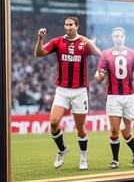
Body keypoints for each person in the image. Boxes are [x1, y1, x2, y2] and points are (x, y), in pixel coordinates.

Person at [35, 15, 99, 170]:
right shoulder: (58, 41)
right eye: (66, 25)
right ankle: (62, 149)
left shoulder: (84, 43)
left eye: (71, 25)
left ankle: (83, 158)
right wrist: (40, 39)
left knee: (80, 127)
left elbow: (99, 53)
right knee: (54, 123)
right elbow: (39, 54)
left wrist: (87, 40)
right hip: (62, 90)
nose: (68, 27)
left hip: (80, 91)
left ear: (77, 26)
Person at [94, 27, 134, 170]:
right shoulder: (106, 54)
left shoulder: (132, 53)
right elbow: (98, 77)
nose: (117, 38)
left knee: (126, 132)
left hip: (129, 97)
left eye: (119, 35)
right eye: (115, 36)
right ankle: (115, 160)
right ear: (112, 38)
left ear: (124, 37)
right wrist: (99, 76)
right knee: (114, 130)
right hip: (113, 97)